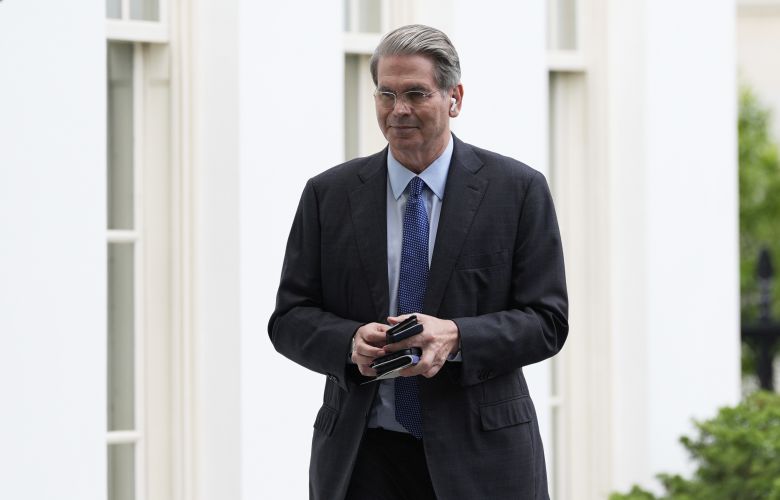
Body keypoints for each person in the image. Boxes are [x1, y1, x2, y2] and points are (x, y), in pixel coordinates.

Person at [269, 24, 568, 500]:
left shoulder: (516, 190)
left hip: (483, 461)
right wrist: (349, 343)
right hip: (361, 459)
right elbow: (289, 318)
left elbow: (548, 321)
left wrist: (456, 336)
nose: (398, 109)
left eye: (415, 93)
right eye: (386, 94)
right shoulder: (329, 195)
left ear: (455, 98)